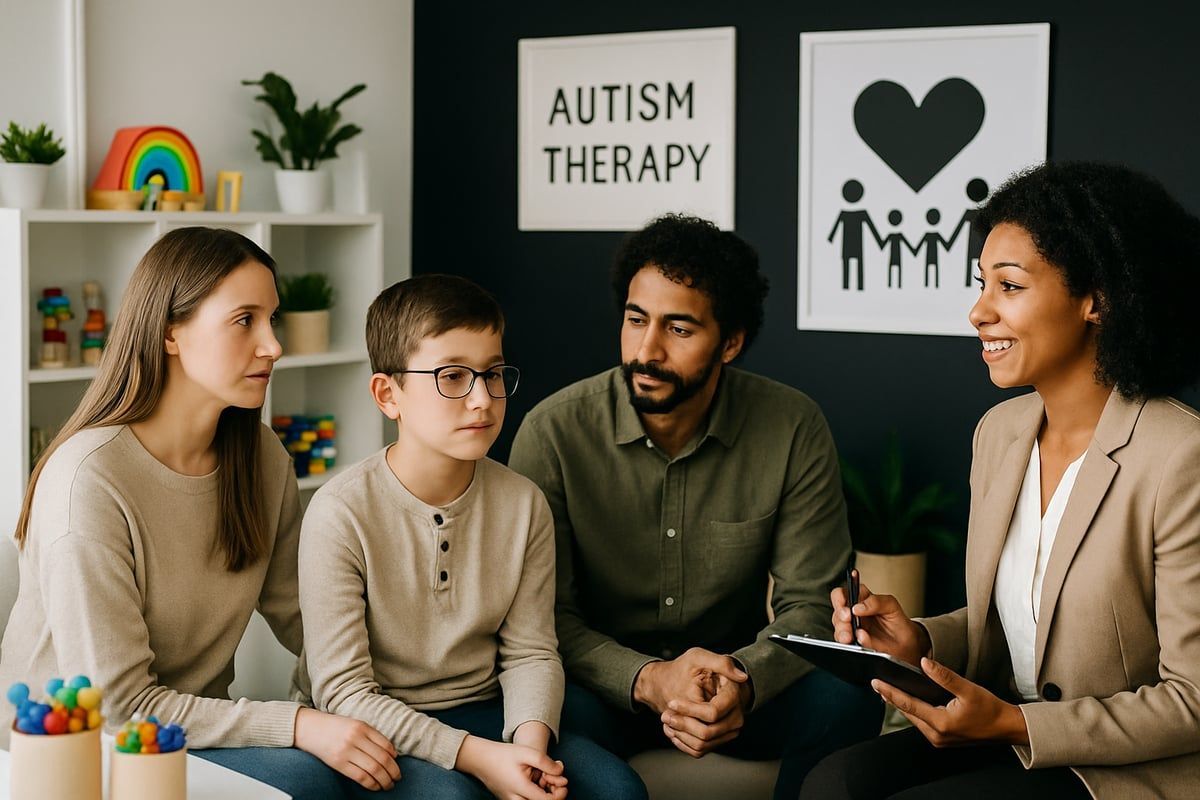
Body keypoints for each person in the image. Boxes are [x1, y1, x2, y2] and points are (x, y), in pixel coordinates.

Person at [801, 161, 1200, 799]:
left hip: (1120, 770)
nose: (977, 312)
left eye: (1009, 286)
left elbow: (1193, 699)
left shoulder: (1181, 455)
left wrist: (1015, 723)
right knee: (834, 783)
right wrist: (918, 640)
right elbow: (1026, 623)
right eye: (981, 284)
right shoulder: (999, 432)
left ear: (1097, 298)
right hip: (1009, 735)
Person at [0, 227, 399, 798]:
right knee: (313, 782)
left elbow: (309, 619)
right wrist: (300, 724)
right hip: (79, 760)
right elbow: (120, 706)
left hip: (191, 741)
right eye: (244, 320)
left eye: (272, 319)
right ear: (170, 332)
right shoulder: (88, 480)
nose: (273, 345)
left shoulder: (261, 458)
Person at [509, 214, 882, 800]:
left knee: (850, 696)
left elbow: (812, 603)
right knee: (542, 710)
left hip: (732, 686)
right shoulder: (553, 433)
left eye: (679, 328)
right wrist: (647, 679)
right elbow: (543, 618)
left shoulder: (792, 426)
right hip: (602, 690)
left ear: (730, 342)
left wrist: (744, 681)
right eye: (636, 320)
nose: (647, 350)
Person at [299, 274, 647, 799]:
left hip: (488, 709)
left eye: (493, 373)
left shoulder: (524, 503)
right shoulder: (339, 513)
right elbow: (343, 692)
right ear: (388, 395)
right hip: (377, 725)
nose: (483, 399)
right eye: (453, 376)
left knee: (618, 790)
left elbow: (531, 652)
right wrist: (480, 759)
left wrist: (529, 751)